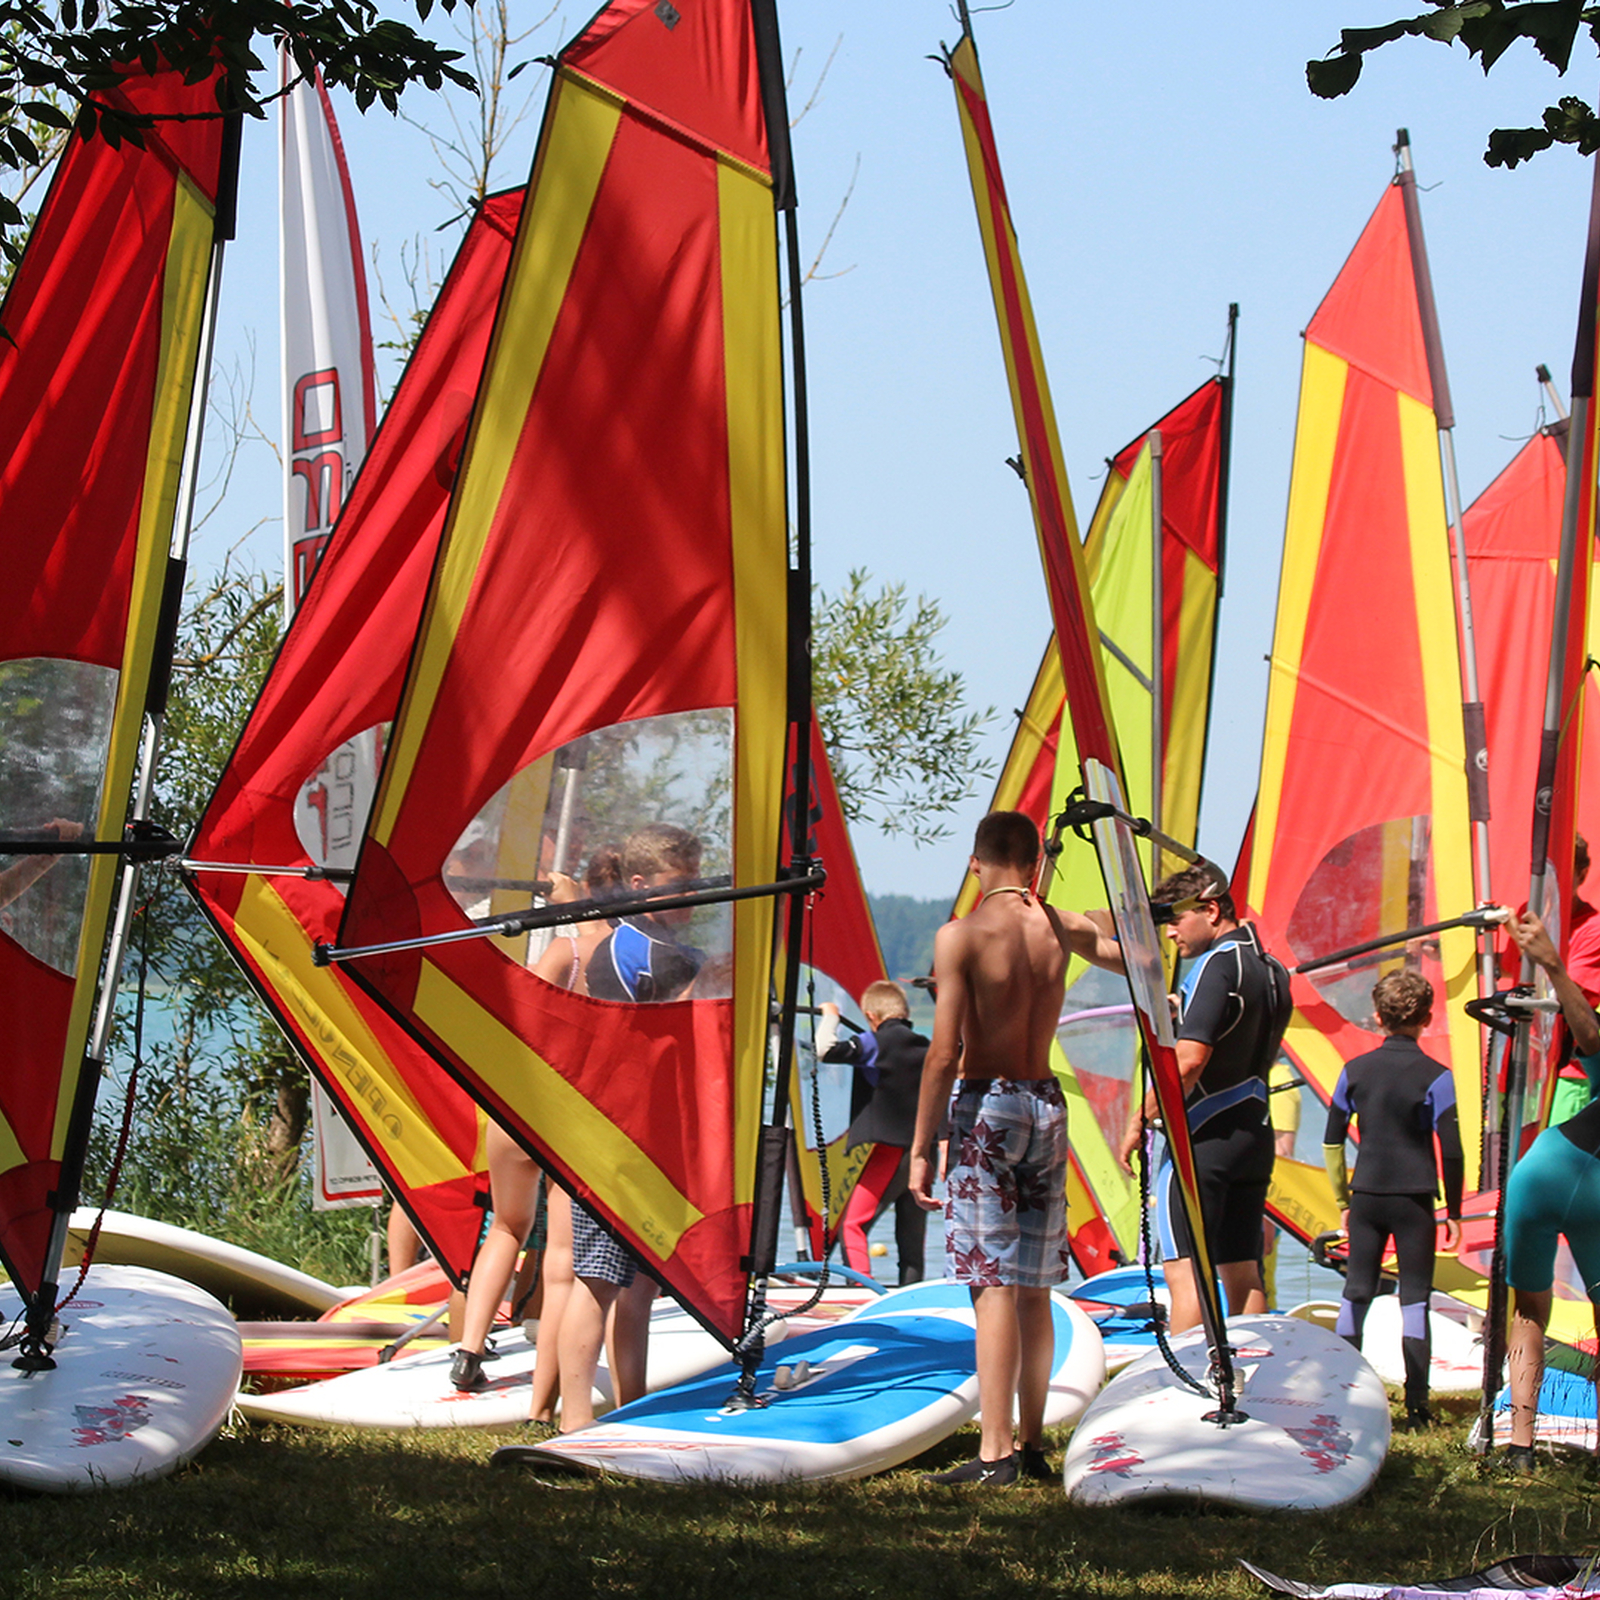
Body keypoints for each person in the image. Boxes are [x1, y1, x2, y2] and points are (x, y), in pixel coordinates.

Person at [909, 811, 1124, 1486]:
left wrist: (924, 1142)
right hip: (1045, 1102)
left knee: (991, 1285)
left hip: (988, 1104)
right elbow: (1136, 956)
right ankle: (1032, 1444)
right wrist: (1118, 913)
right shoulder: (1059, 926)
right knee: (1033, 1285)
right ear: (1035, 862)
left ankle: (995, 1452)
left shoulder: (962, 935)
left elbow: (944, 1051)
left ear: (976, 863)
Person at [449, 848, 621, 1400]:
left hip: (523, 1105)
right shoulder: (623, 954)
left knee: (504, 1227)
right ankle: (547, 1391)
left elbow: (521, 1019)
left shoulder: (565, 949)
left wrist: (564, 915)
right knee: (563, 1259)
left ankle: (469, 1349)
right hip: (573, 1113)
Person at [557, 823, 705, 1432]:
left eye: (699, 884)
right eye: (683, 886)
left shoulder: (609, 941)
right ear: (640, 886)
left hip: (624, 1133)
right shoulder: (661, 955)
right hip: (618, 1140)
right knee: (599, 1283)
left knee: (636, 1284)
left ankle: (627, 1408)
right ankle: (575, 1422)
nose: (695, 898)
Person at [1119, 866, 1291, 1333]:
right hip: (1253, 1136)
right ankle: (1256, 1374)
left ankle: (1188, 1388)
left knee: (1186, 1272)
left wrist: (1140, 1118)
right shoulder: (1272, 968)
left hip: (1203, 1141)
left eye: (1176, 919)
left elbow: (1191, 1061)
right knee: (1243, 1271)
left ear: (1211, 910)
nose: (1170, 932)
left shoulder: (1218, 965)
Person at [1322, 970, 1463, 1428]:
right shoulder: (1438, 1077)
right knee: (1415, 1299)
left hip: (1366, 1196)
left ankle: (1340, 1396)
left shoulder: (1353, 1071)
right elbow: (1454, 1149)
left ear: (1377, 1017)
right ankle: (1417, 1407)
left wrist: (1342, 1197)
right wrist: (1455, 1211)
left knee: (1355, 1293)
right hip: (1414, 1199)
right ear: (1427, 1017)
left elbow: (1331, 1142)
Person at [1501, 909, 1600, 1473]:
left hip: (1540, 1174)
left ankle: (1520, 1447)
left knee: (1529, 1313)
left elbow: (1587, 1032)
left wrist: (1554, 965)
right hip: (1592, 1190)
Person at [818, 981, 932, 1283]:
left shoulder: (872, 1042)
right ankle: (912, 1293)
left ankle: (862, 1289)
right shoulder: (926, 1045)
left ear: (871, 1016)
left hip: (891, 1152)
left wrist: (830, 1015)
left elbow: (825, 1050)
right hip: (924, 1154)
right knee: (911, 1236)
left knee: (852, 1226)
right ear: (904, 1012)